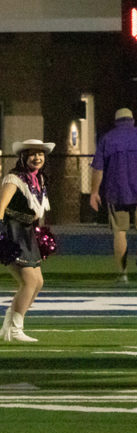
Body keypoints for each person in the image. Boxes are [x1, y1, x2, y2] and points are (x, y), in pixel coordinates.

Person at [90, 108, 137, 283]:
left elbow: (98, 168)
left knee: (119, 231)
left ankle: (122, 273)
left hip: (115, 191)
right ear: (132, 120)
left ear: (116, 122)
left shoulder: (107, 138)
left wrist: (94, 192)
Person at [0, 139, 54, 342]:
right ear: (23, 157)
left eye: (40, 154)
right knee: (29, 282)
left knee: (38, 282)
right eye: (32, 154)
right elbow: (1, 206)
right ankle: (15, 329)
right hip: (13, 233)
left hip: (27, 232)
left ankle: (9, 325)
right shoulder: (14, 179)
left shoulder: (39, 179)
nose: (37, 158)